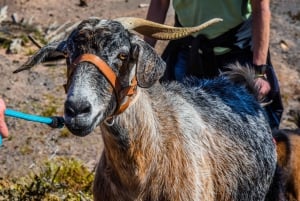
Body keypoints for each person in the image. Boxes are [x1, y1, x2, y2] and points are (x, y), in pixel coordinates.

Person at [145, 0, 283, 130]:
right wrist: (145, 51)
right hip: (186, 52)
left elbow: (261, 8)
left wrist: (259, 71)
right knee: (178, 130)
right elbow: (159, 3)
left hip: (235, 61)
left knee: (247, 133)